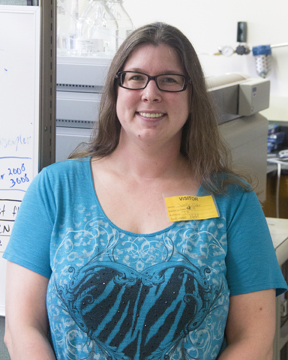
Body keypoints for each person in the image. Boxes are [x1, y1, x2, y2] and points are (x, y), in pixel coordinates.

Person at [3, 22, 287, 360]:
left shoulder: (232, 200)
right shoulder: (54, 189)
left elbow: (254, 338)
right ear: (116, 90)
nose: (150, 93)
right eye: (136, 77)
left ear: (192, 95)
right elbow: (22, 328)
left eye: (169, 80)